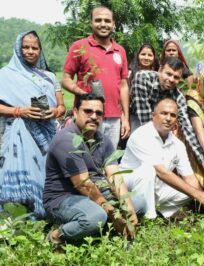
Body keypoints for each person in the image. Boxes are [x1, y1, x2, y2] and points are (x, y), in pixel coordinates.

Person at [43, 94, 137, 245]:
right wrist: (114, 214)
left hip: (93, 195)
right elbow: (84, 184)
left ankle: (103, 229)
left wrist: (129, 209)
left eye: (99, 113)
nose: (94, 116)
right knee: (96, 216)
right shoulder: (67, 139)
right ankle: (55, 237)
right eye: (88, 111)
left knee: (139, 203)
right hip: (63, 199)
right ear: (75, 112)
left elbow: (114, 176)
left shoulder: (103, 139)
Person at [120, 98, 204, 218]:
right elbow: (161, 172)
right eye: (164, 113)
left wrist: (203, 199)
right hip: (130, 189)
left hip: (156, 189)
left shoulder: (178, 144)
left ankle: (157, 211)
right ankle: (148, 217)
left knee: (191, 191)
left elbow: (189, 177)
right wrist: (198, 195)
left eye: (173, 115)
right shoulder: (141, 135)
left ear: (176, 120)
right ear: (153, 116)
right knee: (148, 171)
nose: (168, 118)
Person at [0, 31, 65, 218]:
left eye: (34, 48)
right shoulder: (5, 75)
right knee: (21, 173)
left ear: (40, 51)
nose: (30, 51)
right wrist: (19, 111)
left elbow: (62, 107)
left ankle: (44, 215)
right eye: (25, 47)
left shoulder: (49, 77)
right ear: (18, 49)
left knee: (45, 173)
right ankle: (16, 220)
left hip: (47, 134)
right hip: (17, 134)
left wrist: (55, 111)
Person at [131, 56, 204, 179]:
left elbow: (188, 129)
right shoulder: (143, 78)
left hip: (161, 122)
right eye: (168, 74)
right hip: (138, 118)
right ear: (160, 70)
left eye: (176, 77)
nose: (171, 79)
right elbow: (145, 119)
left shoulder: (178, 96)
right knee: (144, 156)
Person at [62, 6, 130, 149]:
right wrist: (82, 92)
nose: (103, 24)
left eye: (107, 20)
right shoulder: (79, 46)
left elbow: (123, 86)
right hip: (88, 114)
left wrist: (125, 117)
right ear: (91, 23)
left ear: (113, 24)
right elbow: (66, 79)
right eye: (98, 20)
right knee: (85, 155)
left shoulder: (120, 51)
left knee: (109, 157)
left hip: (114, 117)